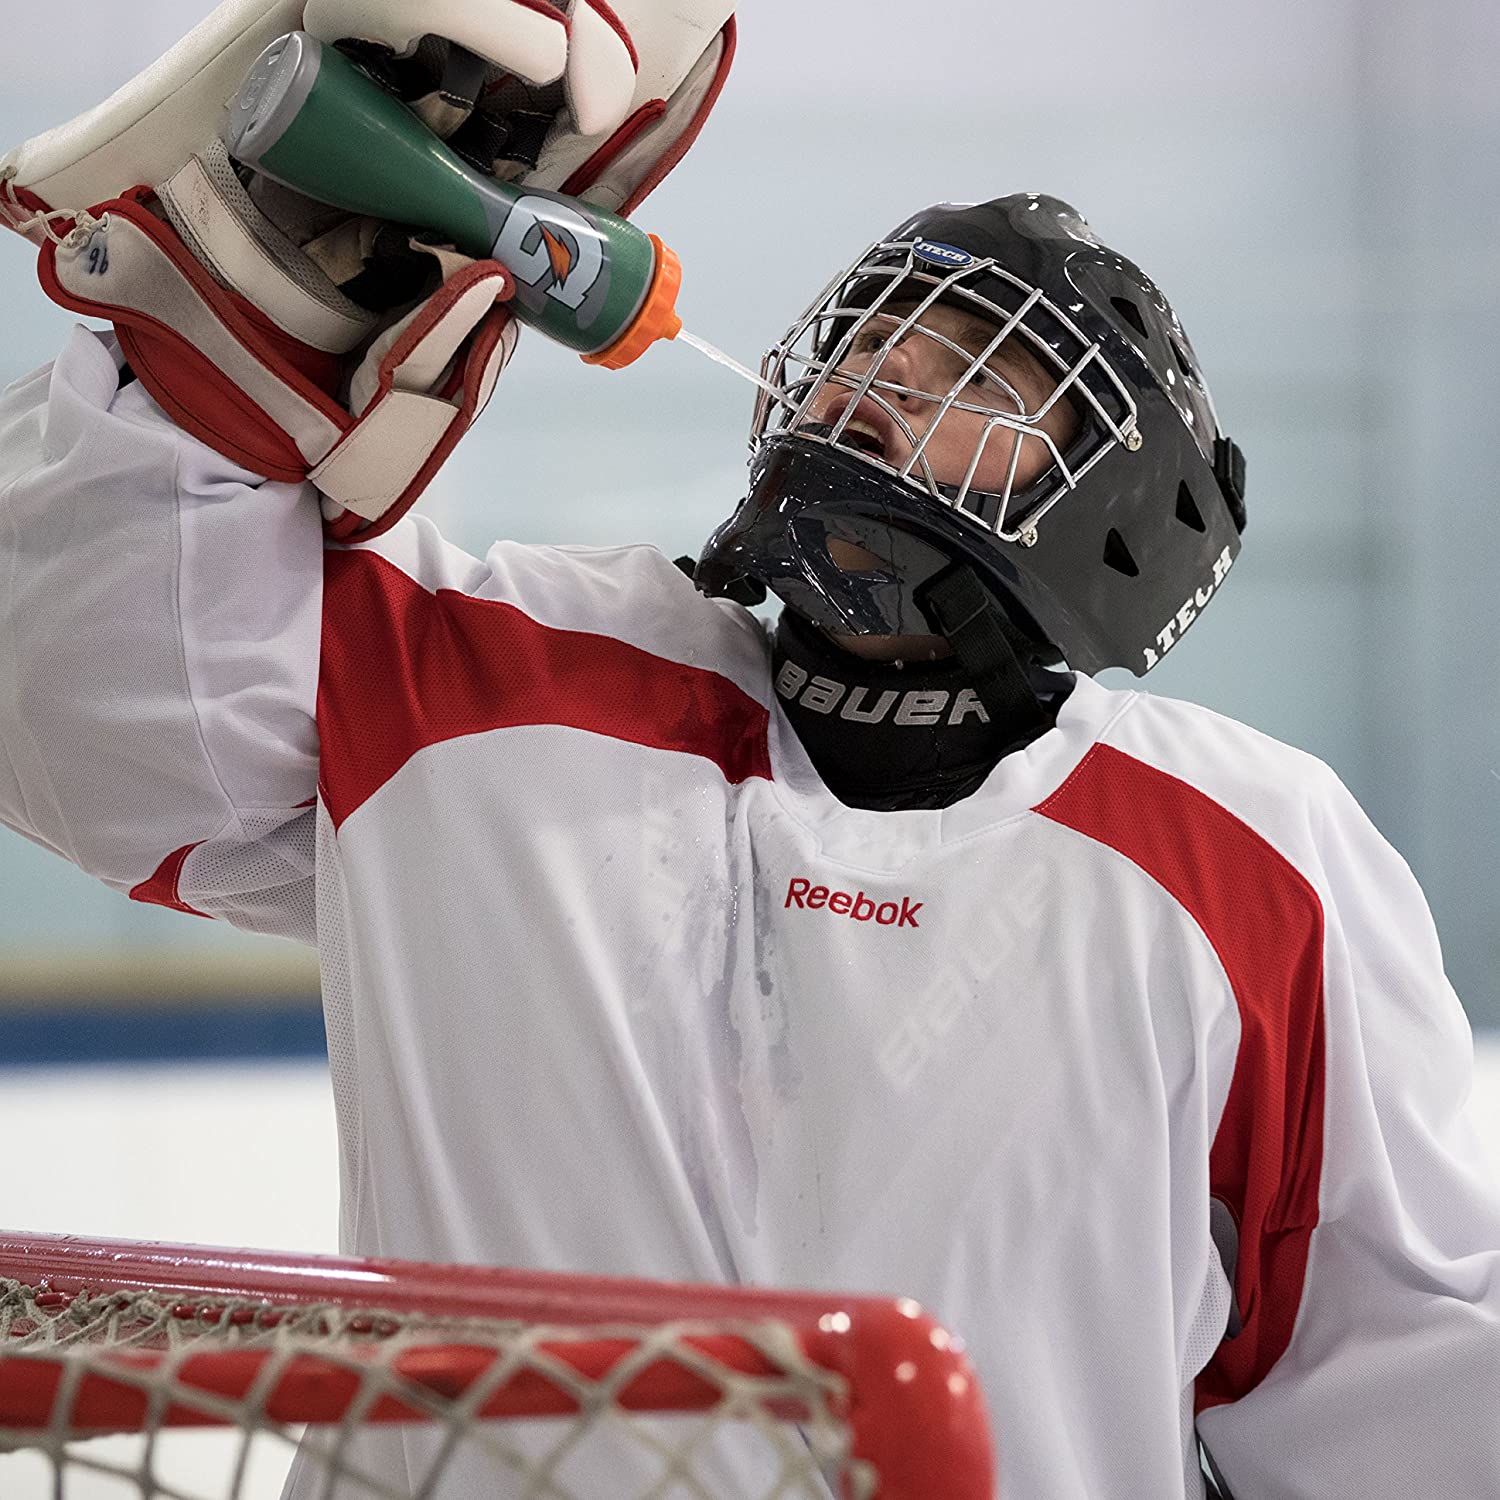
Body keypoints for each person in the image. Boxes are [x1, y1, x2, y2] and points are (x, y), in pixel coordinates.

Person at [3, 9, 1500, 1498]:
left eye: (978, 377)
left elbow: (1407, 1388)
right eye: (869, 341)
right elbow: (86, 711)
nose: (876, 382)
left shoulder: (1253, 861)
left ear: (1120, 520)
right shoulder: (488, 672)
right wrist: (247, 304)